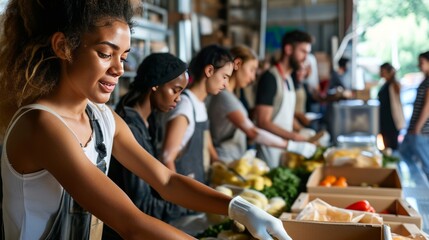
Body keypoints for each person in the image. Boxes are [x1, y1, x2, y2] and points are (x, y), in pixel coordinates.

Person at [0, 1, 291, 239]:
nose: (118, 68)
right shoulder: (40, 125)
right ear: (63, 46)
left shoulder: (102, 118)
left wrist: (237, 207)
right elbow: (132, 223)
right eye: (105, 53)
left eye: (124, 56)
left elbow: (166, 180)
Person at [102, 52, 193, 239]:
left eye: (181, 92)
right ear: (155, 85)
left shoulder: (149, 122)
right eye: (175, 90)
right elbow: (142, 205)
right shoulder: (130, 129)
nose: (178, 98)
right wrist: (187, 204)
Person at [207, 45, 314, 164]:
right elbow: (253, 131)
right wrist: (291, 144)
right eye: (251, 70)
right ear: (238, 64)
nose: (253, 78)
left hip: (236, 158)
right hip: (225, 160)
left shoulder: (234, 95)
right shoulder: (224, 97)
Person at [158, 44, 233, 184]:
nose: (226, 84)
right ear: (209, 70)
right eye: (224, 77)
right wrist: (177, 197)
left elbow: (208, 145)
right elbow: (166, 157)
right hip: (183, 190)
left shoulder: (200, 104)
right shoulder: (185, 105)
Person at [253, 29, 316, 168]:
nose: (306, 58)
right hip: (268, 151)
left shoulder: (288, 79)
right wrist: (293, 137)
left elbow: (286, 116)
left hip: (285, 148)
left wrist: (301, 132)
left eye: (308, 52)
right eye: (303, 52)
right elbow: (263, 121)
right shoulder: (270, 78)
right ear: (288, 49)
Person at [399, 51, 429, 177]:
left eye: (422, 62)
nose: (419, 65)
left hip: (421, 130)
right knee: (404, 153)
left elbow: (427, 107)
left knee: (426, 163)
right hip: (414, 128)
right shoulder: (425, 80)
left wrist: (417, 127)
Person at [377, 62, 405, 150]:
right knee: (386, 144)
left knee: (392, 145)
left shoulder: (394, 84)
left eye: (383, 71)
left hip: (392, 121)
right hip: (384, 120)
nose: (381, 73)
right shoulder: (385, 84)